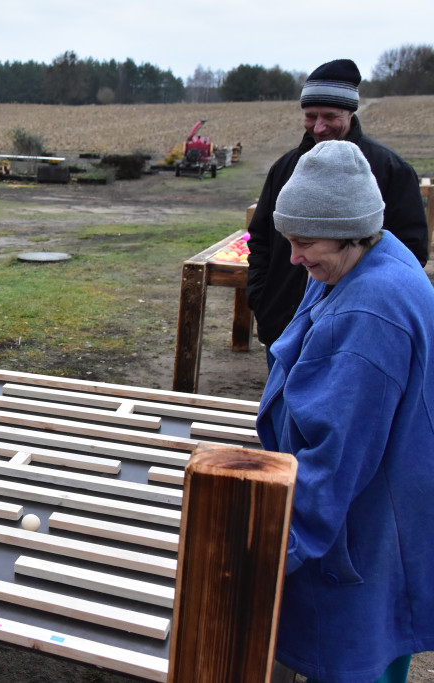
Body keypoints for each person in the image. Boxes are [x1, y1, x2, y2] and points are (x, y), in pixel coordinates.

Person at [256, 141, 434, 682]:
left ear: (351, 228)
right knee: (379, 648)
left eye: (304, 241)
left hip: (365, 532)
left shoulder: (368, 311)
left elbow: (337, 456)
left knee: (359, 660)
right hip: (381, 514)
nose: (293, 258)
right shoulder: (364, 259)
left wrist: (268, 551)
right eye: (288, 240)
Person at [246, 58, 428, 366]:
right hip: (282, 326)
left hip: (352, 334)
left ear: (350, 112)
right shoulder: (284, 168)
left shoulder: (389, 170)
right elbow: (261, 238)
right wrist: (262, 300)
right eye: (310, 116)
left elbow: (410, 252)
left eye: (330, 115)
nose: (319, 126)